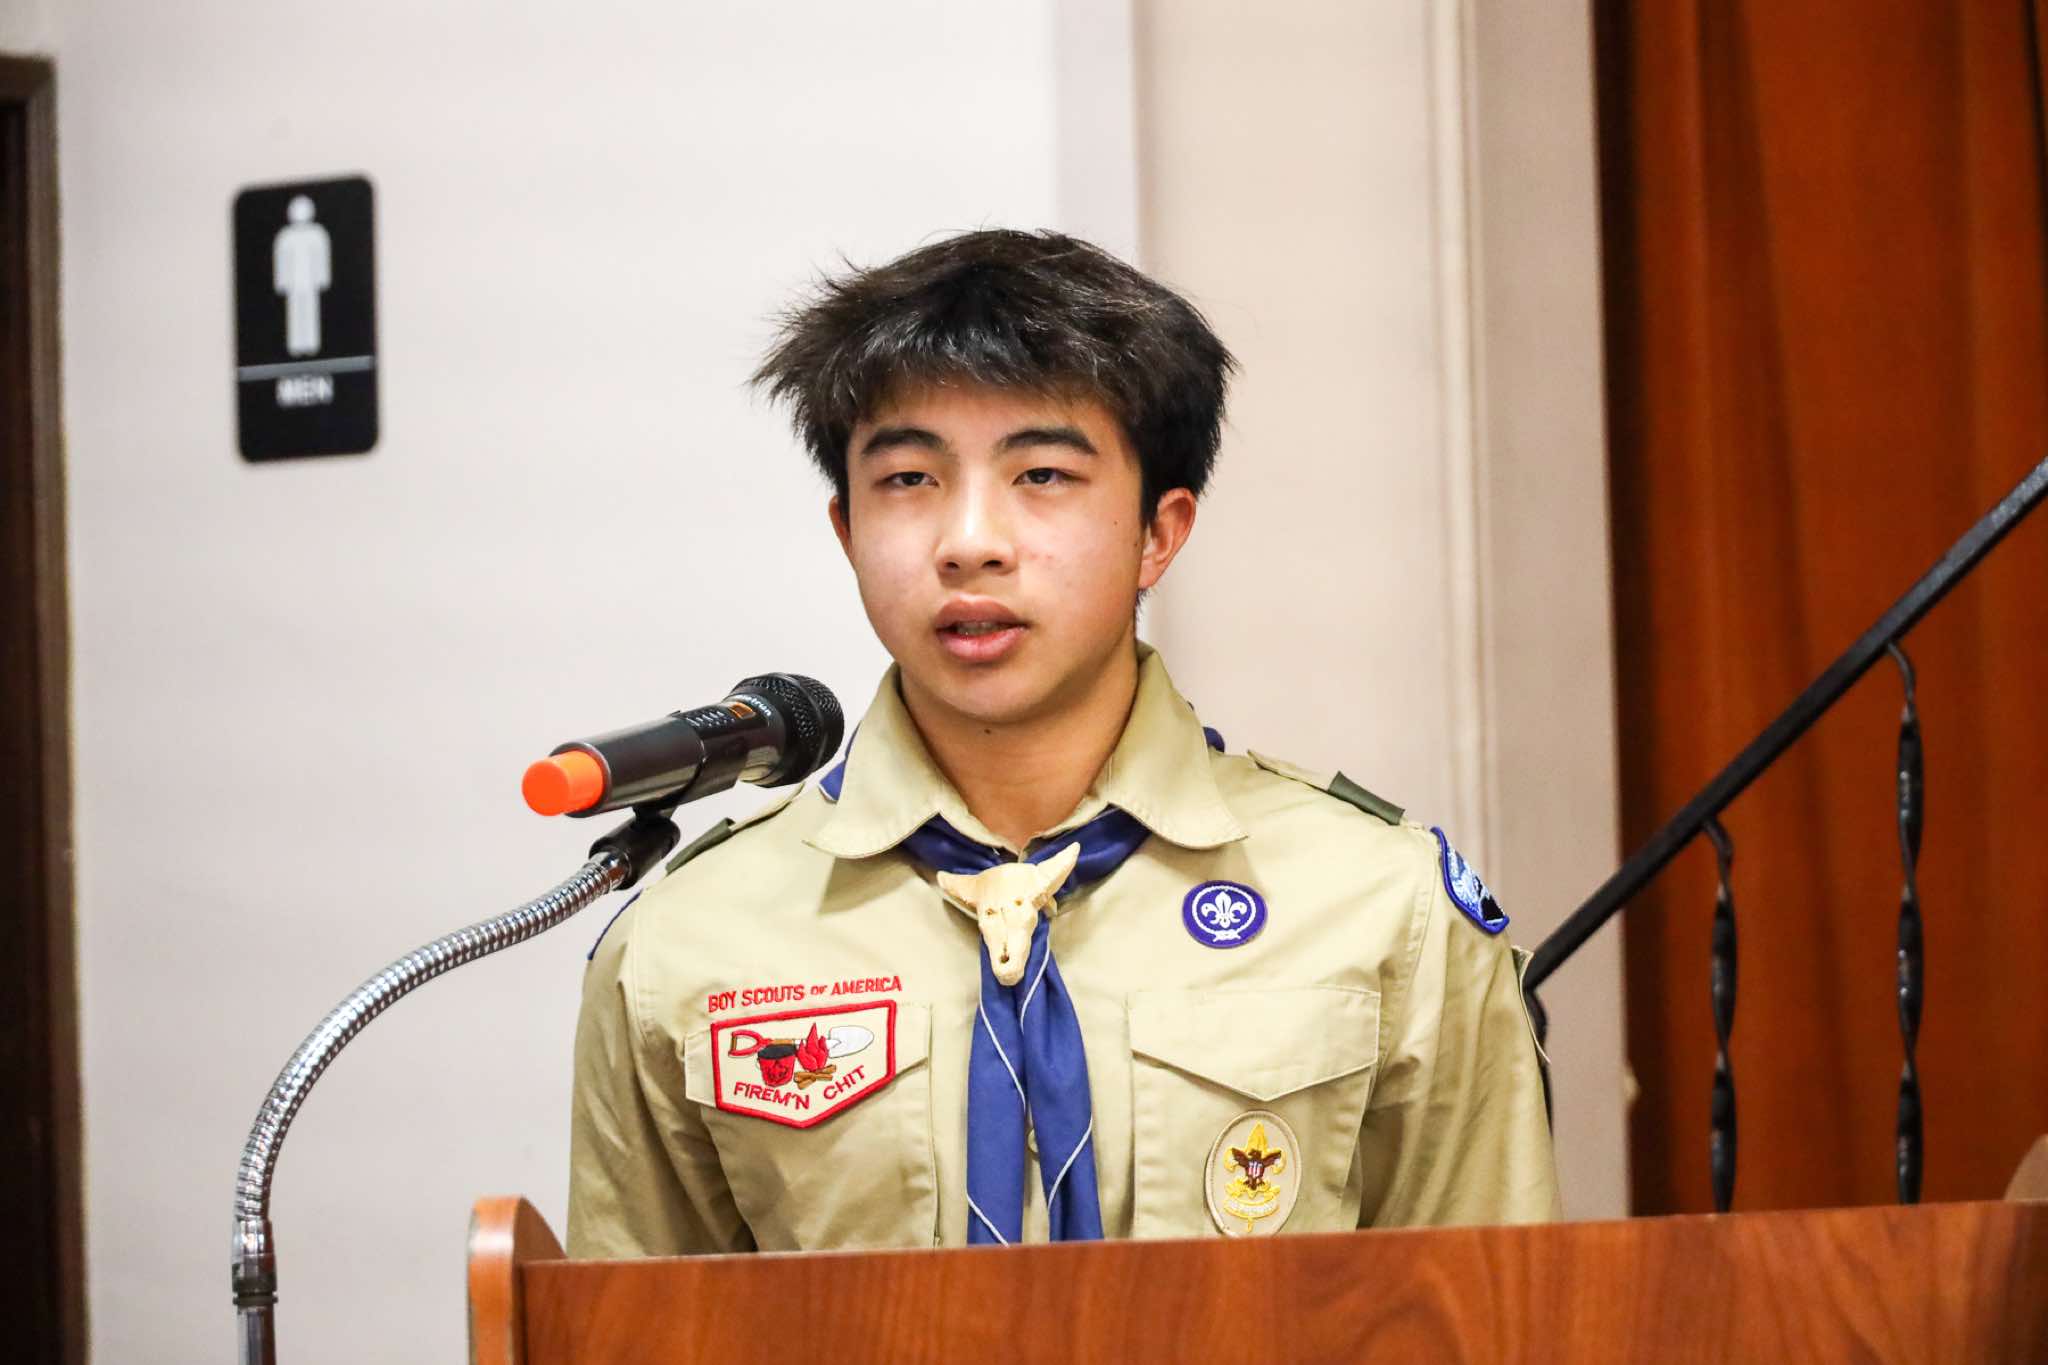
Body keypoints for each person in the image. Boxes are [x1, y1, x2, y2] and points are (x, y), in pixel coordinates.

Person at [566, 229, 1559, 1255]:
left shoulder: (1383, 910)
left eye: (1041, 474)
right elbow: (634, 1324)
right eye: (907, 479)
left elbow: (1488, 1312)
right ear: (847, 531)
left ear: (1157, 533)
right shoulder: (686, 944)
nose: (968, 543)